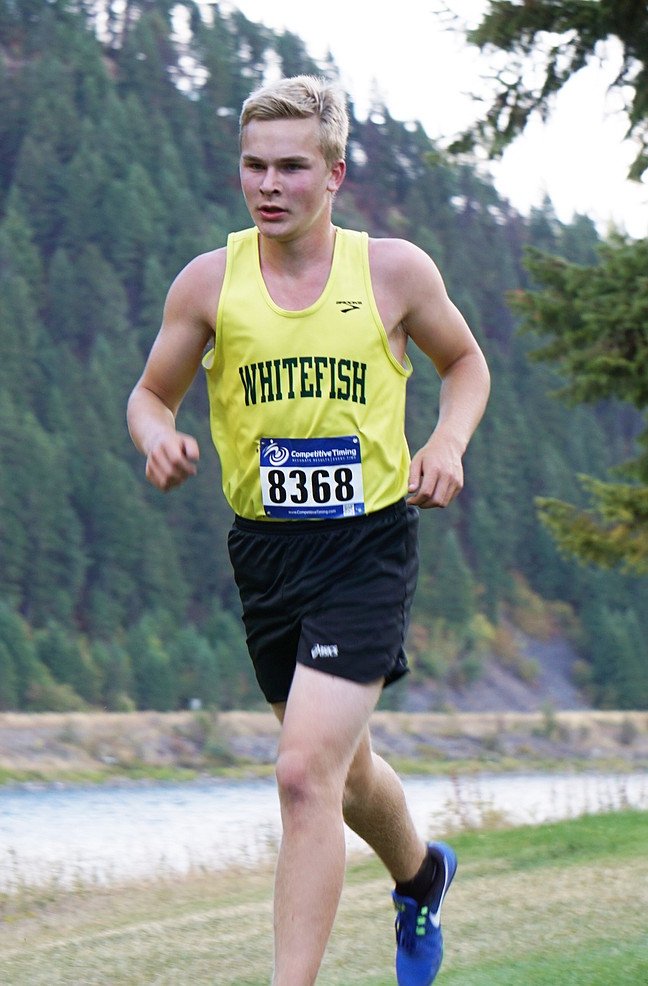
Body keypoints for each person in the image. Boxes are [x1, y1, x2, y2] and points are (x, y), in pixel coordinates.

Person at [126, 75, 490, 986]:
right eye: (253, 166)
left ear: (335, 172)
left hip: (367, 545)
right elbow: (149, 394)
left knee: (299, 776)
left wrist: (447, 440)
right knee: (345, 774)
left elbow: (467, 364)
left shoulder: (395, 272)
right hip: (266, 555)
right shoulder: (209, 283)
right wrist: (156, 437)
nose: (269, 185)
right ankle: (422, 872)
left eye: (291, 166)